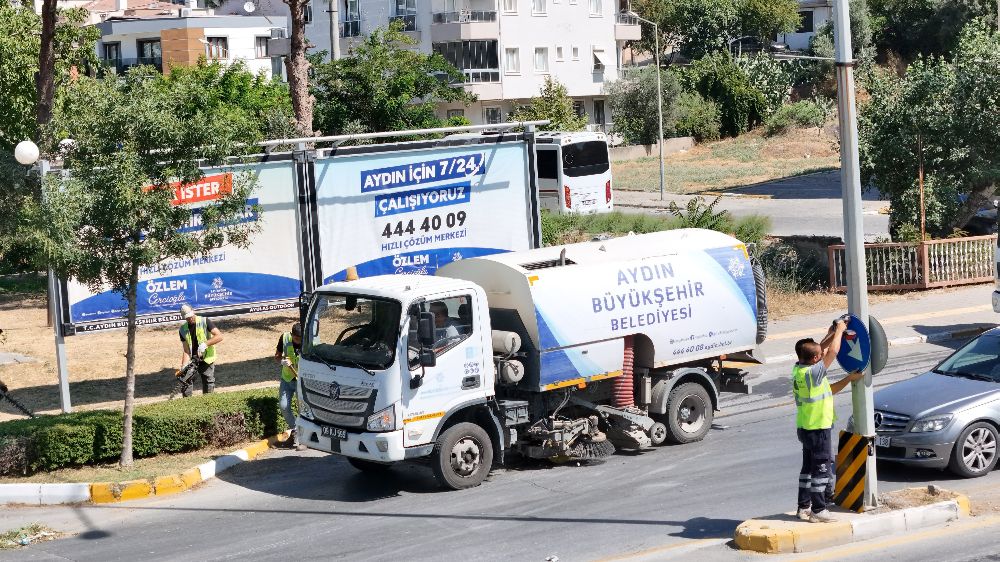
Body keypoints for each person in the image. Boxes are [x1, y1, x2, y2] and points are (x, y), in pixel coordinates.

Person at [793, 318, 864, 523]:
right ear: (816, 359)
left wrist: (832, 333)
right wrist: (841, 330)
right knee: (821, 469)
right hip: (818, 427)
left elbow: (829, 389)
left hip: (805, 427)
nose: (822, 354)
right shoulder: (815, 372)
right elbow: (831, 352)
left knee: (807, 469)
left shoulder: (799, 369)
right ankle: (818, 509)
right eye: (819, 355)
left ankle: (803, 507)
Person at [178, 304, 223, 397]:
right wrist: (184, 365)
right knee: (186, 381)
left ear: (193, 311)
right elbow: (186, 350)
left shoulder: (204, 321)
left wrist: (205, 344)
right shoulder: (182, 329)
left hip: (206, 358)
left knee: (208, 382)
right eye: (187, 318)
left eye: (190, 316)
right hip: (192, 360)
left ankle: (208, 403)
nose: (190, 319)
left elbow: (219, 336)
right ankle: (186, 404)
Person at [275, 323, 303, 449]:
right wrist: (282, 361)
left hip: (301, 380)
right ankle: (296, 429)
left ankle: (302, 438)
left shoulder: (306, 342)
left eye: (301, 338)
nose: (299, 341)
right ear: (292, 335)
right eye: (296, 338)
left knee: (302, 409)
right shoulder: (285, 337)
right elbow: (277, 356)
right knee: (284, 406)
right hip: (287, 379)